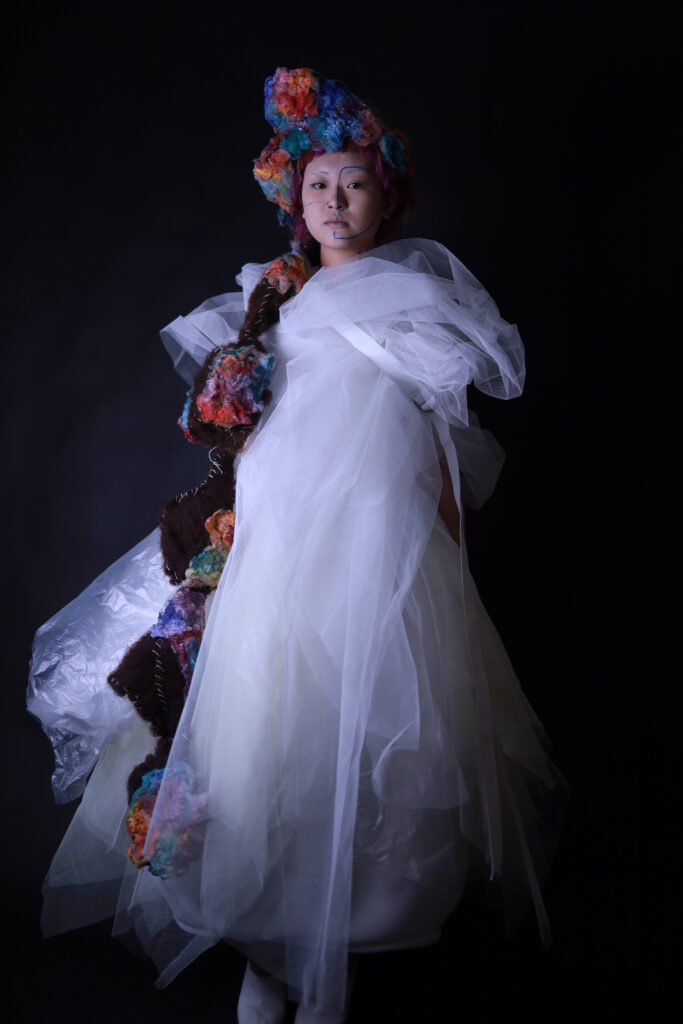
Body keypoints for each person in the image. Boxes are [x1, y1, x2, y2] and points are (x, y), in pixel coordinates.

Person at [28, 68, 569, 1024]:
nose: (336, 200)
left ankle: (331, 957)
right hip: (276, 552)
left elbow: (439, 436)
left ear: (386, 198)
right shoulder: (270, 300)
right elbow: (243, 434)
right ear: (293, 195)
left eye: (355, 183)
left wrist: (446, 551)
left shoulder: (410, 297)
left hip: (373, 554)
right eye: (319, 184)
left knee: (358, 736)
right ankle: (269, 949)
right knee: (259, 740)